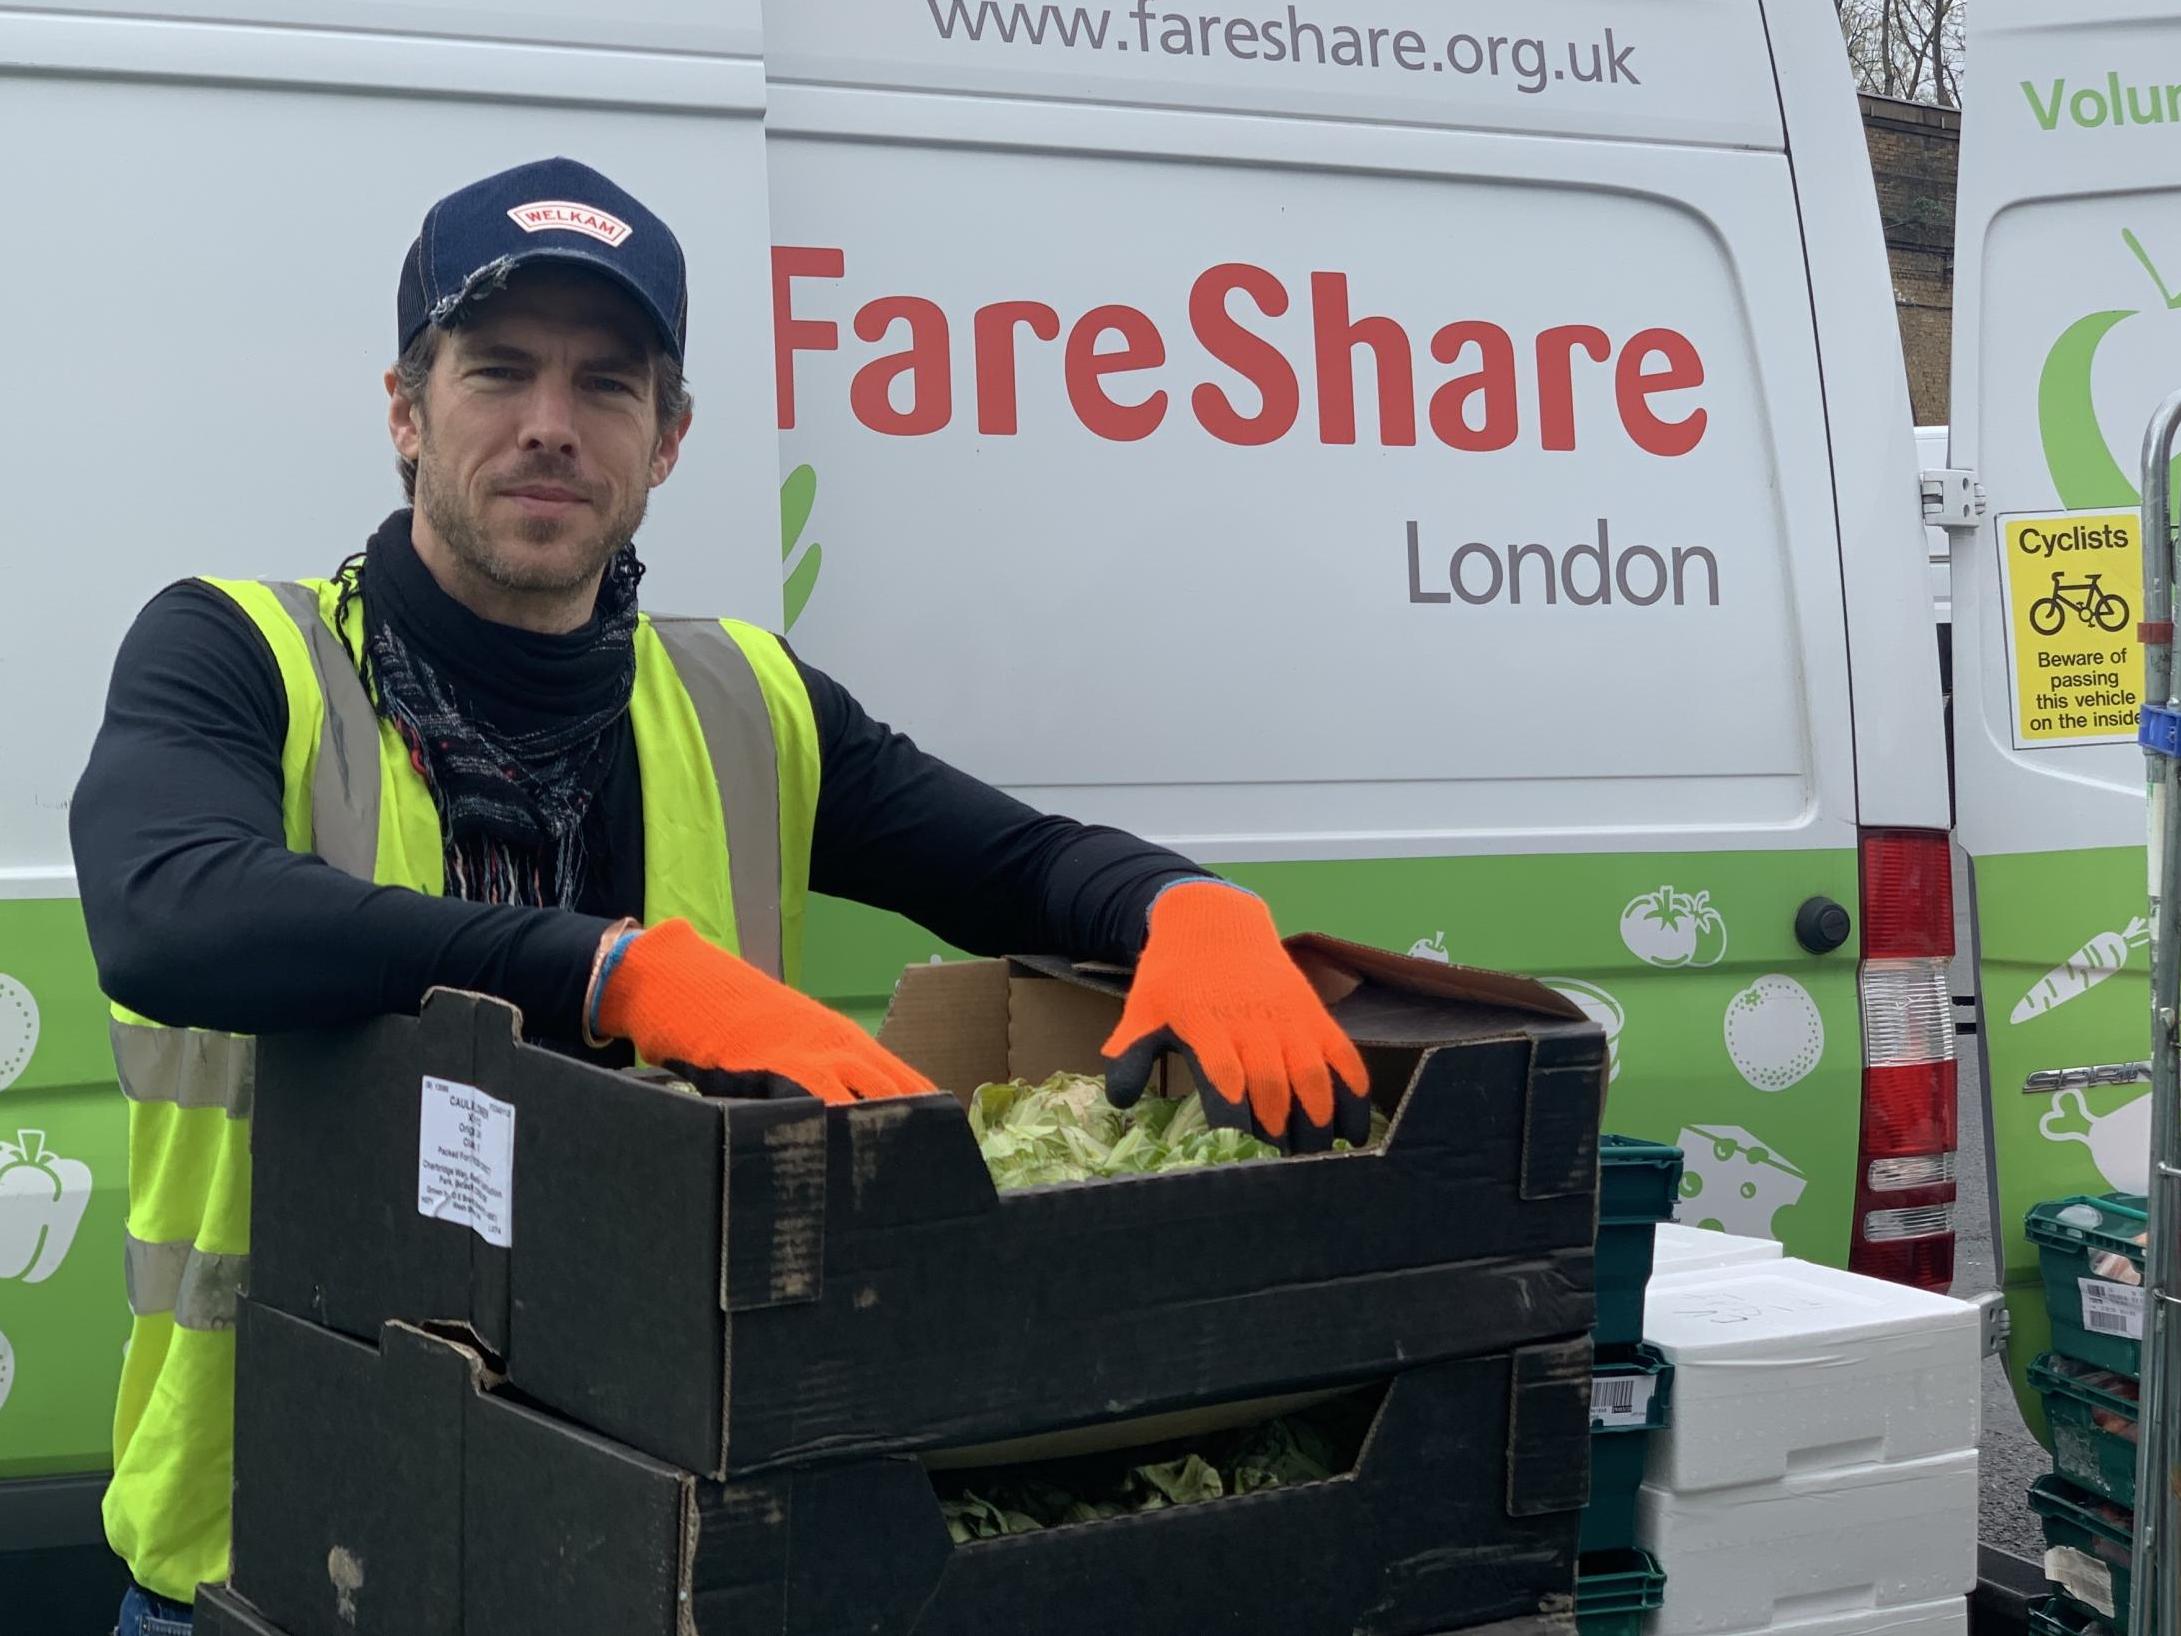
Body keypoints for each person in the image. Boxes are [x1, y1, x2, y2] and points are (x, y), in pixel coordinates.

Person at [69, 157, 1371, 1633]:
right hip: (281, 1556)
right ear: (404, 408)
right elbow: (174, 910)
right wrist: (607, 971)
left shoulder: (746, 699)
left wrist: (1182, 908)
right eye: (496, 372)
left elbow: (1018, 866)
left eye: (606, 386)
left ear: (669, 438)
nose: (549, 427)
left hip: (647, 1555)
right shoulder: (235, 653)